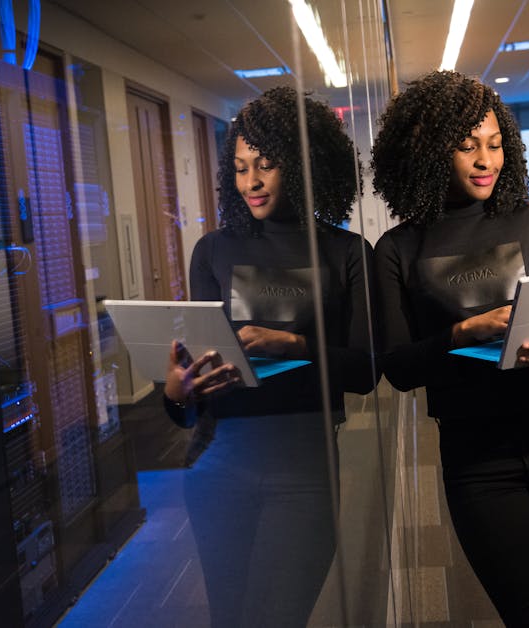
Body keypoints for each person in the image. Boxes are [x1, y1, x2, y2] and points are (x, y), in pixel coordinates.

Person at [371, 70, 529, 628]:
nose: (486, 159)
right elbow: (399, 369)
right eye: (466, 146)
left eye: (495, 144)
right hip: (479, 462)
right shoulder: (398, 248)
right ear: (431, 153)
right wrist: (462, 334)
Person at [163, 85, 376, 627]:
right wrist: (176, 394)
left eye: (265, 165)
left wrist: (296, 345)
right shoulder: (213, 250)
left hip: (303, 468)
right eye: (239, 168)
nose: (251, 182)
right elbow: (198, 382)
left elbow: (367, 370)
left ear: (304, 166)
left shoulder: (346, 253)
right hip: (217, 463)